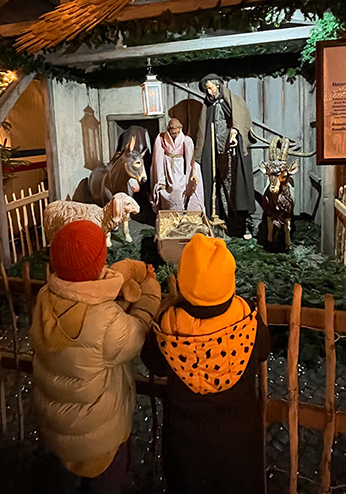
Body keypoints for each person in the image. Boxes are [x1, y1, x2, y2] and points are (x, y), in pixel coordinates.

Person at [30, 220, 161, 494]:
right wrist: (149, 292)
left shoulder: (46, 297)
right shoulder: (104, 320)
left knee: (66, 481)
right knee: (106, 485)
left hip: (60, 430)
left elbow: (85, 294)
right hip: (100, 440)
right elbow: (137, 332)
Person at [142, 234, 271, 494]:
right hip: (239, 445)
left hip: (186, 446)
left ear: (184, 277)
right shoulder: (247, 321)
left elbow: (153, 363)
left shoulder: (168, 326)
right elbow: (264, 351)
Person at [195, 74, 257, 238]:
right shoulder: (208, 107)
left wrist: (235, 133)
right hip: (217, 155)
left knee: (236, 188)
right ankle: (226, 222)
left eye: (210, 87)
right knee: (221, 188)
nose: (209, 92)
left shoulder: (233, 101)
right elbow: (203, 132)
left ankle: (243, 225)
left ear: (218, 85)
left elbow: (241, 120)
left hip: (232, 155)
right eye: (207, 89)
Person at [151, 117, 205, 212]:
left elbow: (190, 159)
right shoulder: (161, 139)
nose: (175, 135)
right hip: (167, 167)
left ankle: (181, 210)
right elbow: (157, 159)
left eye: (177, 133)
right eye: (173, 133)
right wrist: (161, 179)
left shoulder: (186, 140)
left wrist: (192, 173)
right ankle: (169, 212)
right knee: (168, 191)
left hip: (180, 168)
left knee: (179, 189)